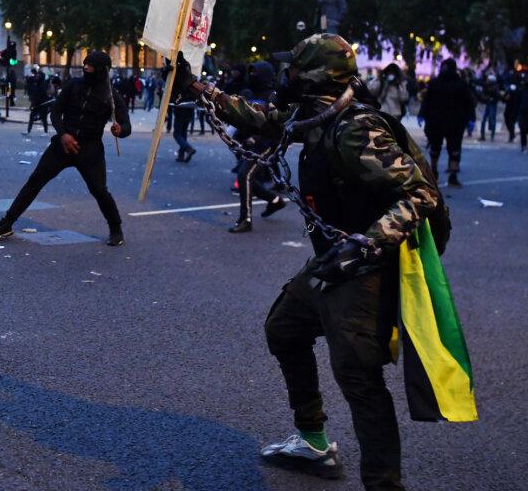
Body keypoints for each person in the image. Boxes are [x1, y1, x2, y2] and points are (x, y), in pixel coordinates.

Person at [178, 34, 440, 491]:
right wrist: (202, 90)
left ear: (314, 75)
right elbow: (265, 119)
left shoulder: (356, 128)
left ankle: (385, 485)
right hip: (331, 264)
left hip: (362, 272)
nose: (286, 76)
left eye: (294, 67)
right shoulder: (314, 116)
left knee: (358, 378)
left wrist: (366, 243)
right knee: (284, 328)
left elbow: (421, 194)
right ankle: (313, 440)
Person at [0, 51, 130, 247]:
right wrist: (63, 134)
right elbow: (55, 112)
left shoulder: (111, 96)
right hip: (62, 146)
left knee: (99, 190)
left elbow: (126, 125)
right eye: (85, 64)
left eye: (91, 66)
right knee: (35, 181)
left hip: (90, 150)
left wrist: (120, 130)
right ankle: (6, 223)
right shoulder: (73, 85)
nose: (86, 68)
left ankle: (115, 228)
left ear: (102, 70)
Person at [229, 60, 286, 232]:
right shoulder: (251, 92)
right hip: (253, 143)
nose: (252, 76)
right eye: (251, 73)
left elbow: (275, 123)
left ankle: (245, 219)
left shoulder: (273, 96)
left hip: (268, 143)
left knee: (244, 174)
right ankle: (275, 201)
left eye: (256, 73)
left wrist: (255, 137)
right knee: (246, 177)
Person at [418, 59, 474, 187]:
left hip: (445, 121)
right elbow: (469, 103)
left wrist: (471, 117)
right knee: (445, 148)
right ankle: (441, 174)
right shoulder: (455, 84)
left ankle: (441, 174)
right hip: (449, 122)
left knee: (444, 148)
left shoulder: (442, 83)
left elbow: (468, 102)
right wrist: (422, 114)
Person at [476, 72, 501, 141]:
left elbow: (497, 96)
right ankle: (485, 136)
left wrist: (489, 98)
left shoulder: (494, 87)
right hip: (488, 104)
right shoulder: (488, 86)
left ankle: (490, 136)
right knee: (485, 120)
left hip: (492, 104)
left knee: (490, 120)